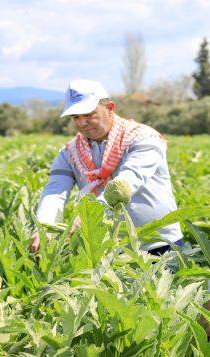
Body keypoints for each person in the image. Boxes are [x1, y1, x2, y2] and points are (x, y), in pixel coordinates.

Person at [31, 79, 183, 254]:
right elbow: (54, 192)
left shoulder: (143, 138)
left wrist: (90, 216)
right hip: (109, 250)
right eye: (75, 117)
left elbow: (127, 181)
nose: (81, 123)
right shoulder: (69, 153)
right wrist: (44, 226)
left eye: (88, 114)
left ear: (110, 108)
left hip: (159, 244)